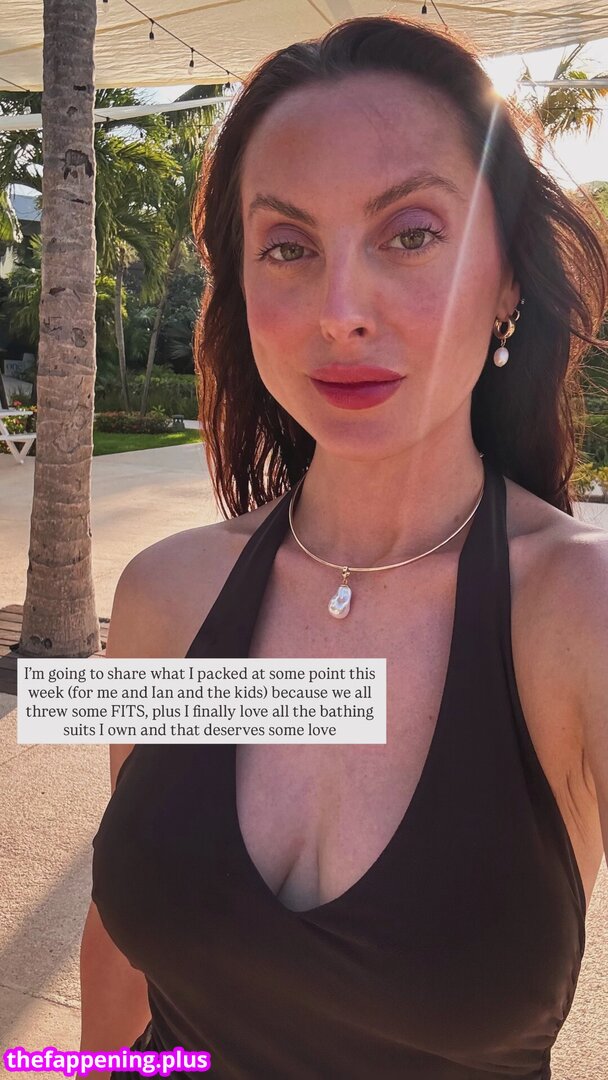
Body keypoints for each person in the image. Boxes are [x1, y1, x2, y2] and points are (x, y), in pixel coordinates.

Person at [80, 14, 608, 1079]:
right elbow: (122, 938)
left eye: (410, 233)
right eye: (288, 247)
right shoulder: (166, 595)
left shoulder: (576, 615)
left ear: (508, 279)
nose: (340, 312)